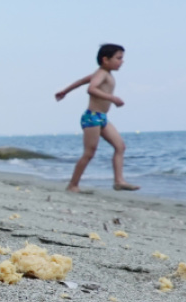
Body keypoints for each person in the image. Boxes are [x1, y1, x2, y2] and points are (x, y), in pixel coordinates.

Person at [56, 44, 139, 193]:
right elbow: (91, 89)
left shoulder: (103, 74)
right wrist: (113, 98)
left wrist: (65, 91)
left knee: (120, 147)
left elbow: (82, 81)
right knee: (89, 153)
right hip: (92, 117)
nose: (122, 61)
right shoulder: (102, 73)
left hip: (102, 118)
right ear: (105, 59)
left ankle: (119, 181)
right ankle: (73, 185)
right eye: (119, 58)